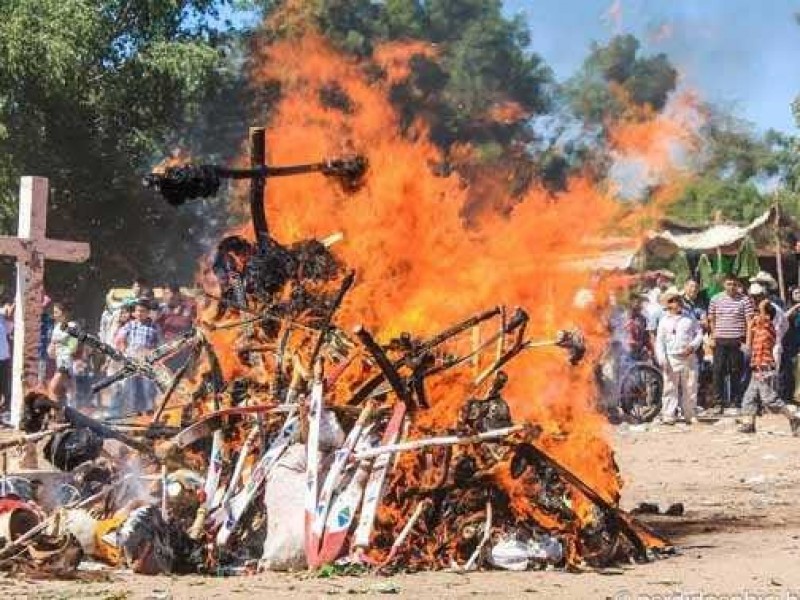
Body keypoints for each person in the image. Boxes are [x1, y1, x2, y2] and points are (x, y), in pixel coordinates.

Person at [737, 299, 800, 435]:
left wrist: (763, 304)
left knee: (769, 399)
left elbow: (761, 318)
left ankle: (793, 418)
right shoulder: (760, 328)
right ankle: (750, 424)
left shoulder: (768, 327)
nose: (756, 316)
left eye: (760, 313)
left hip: (764, 369)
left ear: (766, 317)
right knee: (749, 398)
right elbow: (751, 332)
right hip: (757, 368)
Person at [655, 288, 703, 424]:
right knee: (670, 387)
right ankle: (669, 415)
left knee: (690, 386)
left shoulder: (690, 317)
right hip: (671, 357)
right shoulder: (664, 321)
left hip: (689, 357)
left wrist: (693, 346)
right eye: (672, 301)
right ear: (668, 304)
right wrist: (662, 359)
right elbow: (659, 341)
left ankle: (690, 414)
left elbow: (699, 333)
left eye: (677, 300)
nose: (676, 303)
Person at [708, 274, 755, 413]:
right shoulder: (715, 299)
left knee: (736, 371)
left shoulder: (744, 300)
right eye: (729, 284)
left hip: (737, 340)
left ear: (738, 285)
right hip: (720, 340)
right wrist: (713, 335)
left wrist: (748, 342)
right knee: (718, 371)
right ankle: (718, 403)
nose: (731, 287)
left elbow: (749, 321)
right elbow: (712, 318)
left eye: (734, 284)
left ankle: (735, 402)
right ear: (724, 284)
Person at [115, 299, 161, 414]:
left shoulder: (154, 327)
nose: (140, 314)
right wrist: (124, 351)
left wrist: (150, 353)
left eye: (143, 311)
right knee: (132, 392)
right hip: (132, 363)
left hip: (148, 364)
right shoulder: (130, 325)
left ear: (148, 312)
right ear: (134, 313)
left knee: (148, 392)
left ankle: (150, 417)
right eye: (138, 311)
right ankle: (133, 416)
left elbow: (160, 345)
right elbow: (119, 339)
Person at [47, 303, 79, 406]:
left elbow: (73, 346)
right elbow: (52, 348)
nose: (54, 314)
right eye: (54, 312)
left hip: (66, 362)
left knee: (53, 387)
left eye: (57, 312)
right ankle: (70, 410)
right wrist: (52, 348)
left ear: (64, 313)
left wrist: (60, 344)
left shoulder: (72, 326)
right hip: (59, 361)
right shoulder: (56, 327)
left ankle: (55, 411)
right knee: (69, 388)